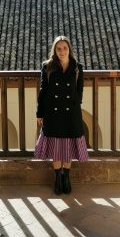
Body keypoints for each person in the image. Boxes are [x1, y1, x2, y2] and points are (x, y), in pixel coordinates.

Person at [35, 35, 89, 194]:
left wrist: (75, 103)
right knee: (56, 147)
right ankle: (58, 178)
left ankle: (66, 177)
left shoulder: (77, 67)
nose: (62, 51)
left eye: (65, 48)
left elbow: (80, 89)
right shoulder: (47, 67)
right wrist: (40, 113)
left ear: (69, 49)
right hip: (53, 113)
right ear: (55, 50)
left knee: (68, 146)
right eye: (59, 49)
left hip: (71, 113)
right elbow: (43, 91)